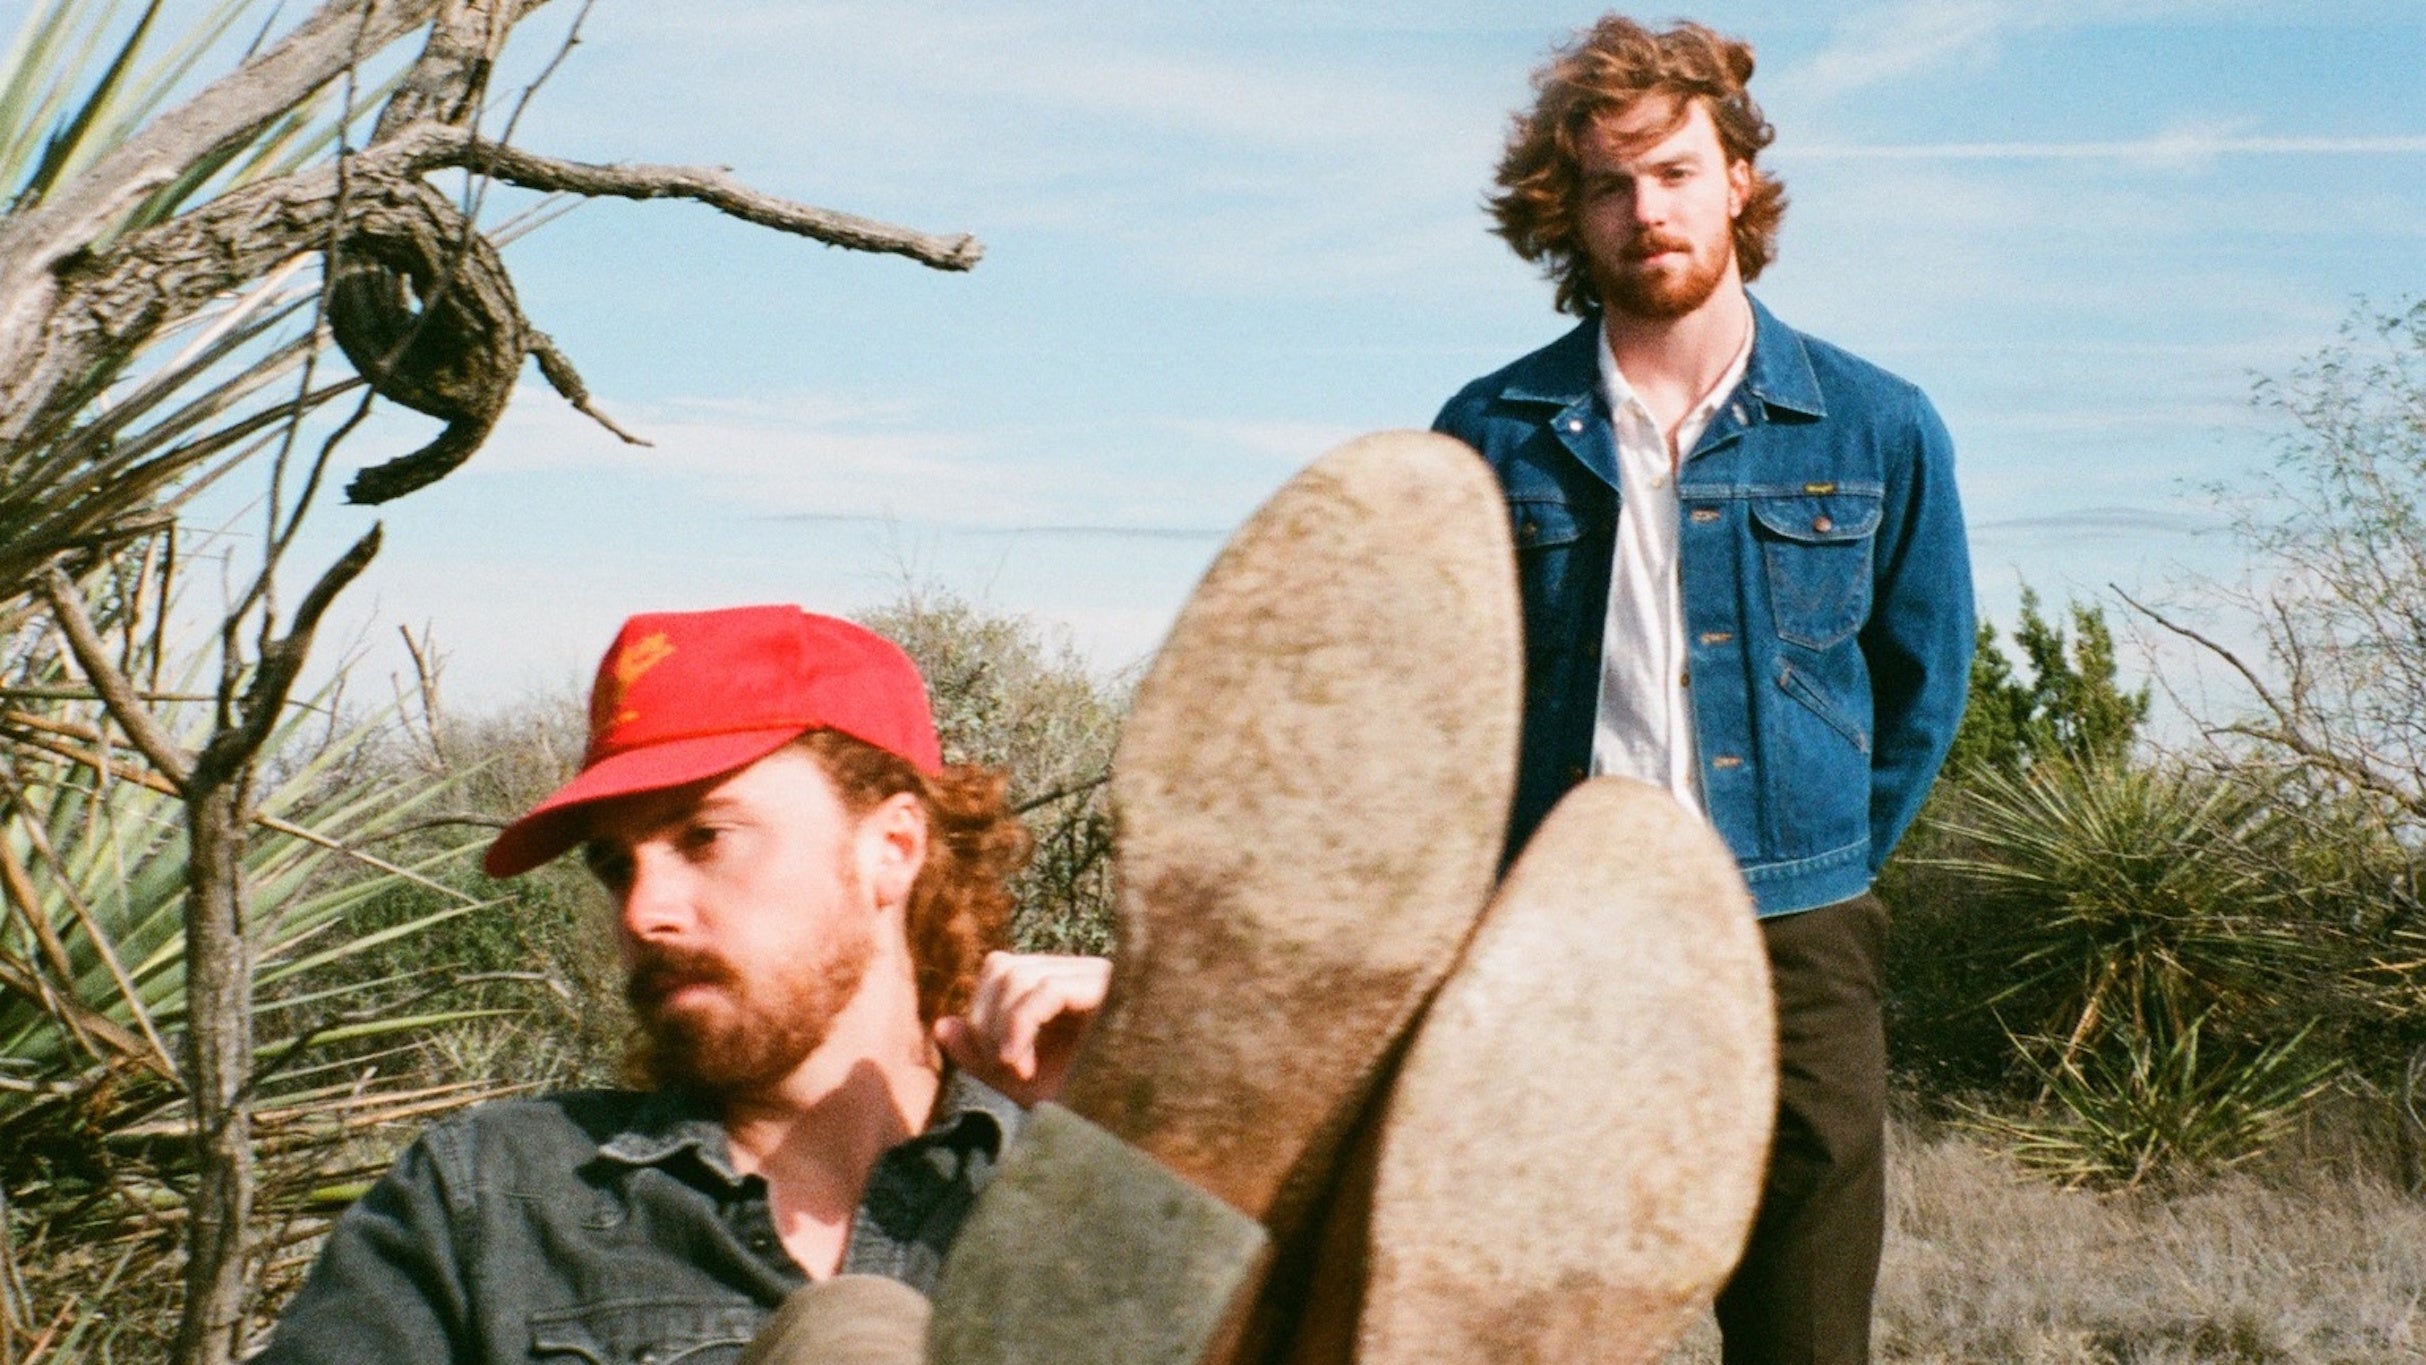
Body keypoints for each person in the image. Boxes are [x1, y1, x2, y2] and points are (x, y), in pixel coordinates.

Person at [1433, 16, 1974, 1364]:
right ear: (1566, 212)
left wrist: (1820, 860)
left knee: (1804, 1333)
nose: (1645, 211)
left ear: (1736, 177)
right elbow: (1444, 711)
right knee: (1532, 1328)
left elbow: (1922, 687)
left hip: (1796, 939)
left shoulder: (1876, 423)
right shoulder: (1488, 434)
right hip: (1560, 940)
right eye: (1607, 186)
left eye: (1673, 172)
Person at [255, 604, 1109, 1364]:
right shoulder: (493, 1200)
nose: (642, 911)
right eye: (615, 867)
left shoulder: (1090, 1183)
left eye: (706, 837)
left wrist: (1147, 1132)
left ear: (892, 848)